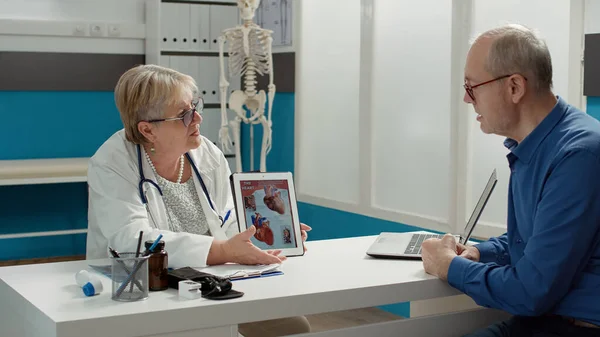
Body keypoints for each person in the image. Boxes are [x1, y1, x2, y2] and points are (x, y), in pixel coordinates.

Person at [86, 64, 312, 336]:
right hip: (143, 288)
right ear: (147, 130)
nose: (197, 119)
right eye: (184, 115)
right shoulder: (112, 163)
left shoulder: (206, 153)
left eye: (195, 107)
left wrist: (264, 234)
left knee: (294, 326)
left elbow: (228, 219)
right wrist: (225, 251)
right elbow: (132, 240)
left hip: (210, 280)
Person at [421, 24, 600, 337]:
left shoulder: (578, 155)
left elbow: (530, 293)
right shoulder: (542, 145)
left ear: (515, 87)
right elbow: (538, 239)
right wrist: (481, 252)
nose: (466, 98)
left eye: (471, 85)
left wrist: (449, 266)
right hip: (545, 320)